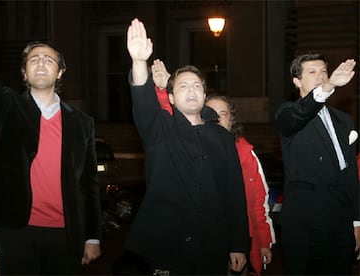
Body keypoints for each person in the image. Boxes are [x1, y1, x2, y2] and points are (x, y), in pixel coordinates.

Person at [0, 16, 101, 275]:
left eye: (48, 59)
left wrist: (92, 237)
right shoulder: (11, 107)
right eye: (33, 59)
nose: (41, 63)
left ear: (60, 72)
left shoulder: (82, 123)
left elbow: (88, 185)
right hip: (16, 231)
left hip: (65, 233)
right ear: (24, 73)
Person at [125, 18, 249, 275]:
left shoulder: (222, 136)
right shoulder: (159, 128)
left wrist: (238, 244)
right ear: (170, 97)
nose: (191, 91)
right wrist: (139, 62)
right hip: (167, 246)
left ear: (204, 95)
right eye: (183, 86)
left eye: (197, 86)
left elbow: (234, 194)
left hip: (211, 247)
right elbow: (143, 99)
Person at [152, 59, 276, 275]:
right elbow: (172, 122)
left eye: (223, 114)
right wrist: (165, 90)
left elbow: (256, 203)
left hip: (233, 244)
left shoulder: (246, 153)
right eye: (212, 114)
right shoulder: (191, 143)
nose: (217, 119)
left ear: (232, 120)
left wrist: (259, 242)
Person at [275, 53, 359, 275]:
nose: (321, 76)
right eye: (312, 72)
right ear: (296, 81)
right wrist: (329, 85)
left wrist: (357, 223)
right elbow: (302, 113)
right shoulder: (287, 112)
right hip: (306, 221)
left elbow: (351, 176)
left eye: (324, 71)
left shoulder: (344, 119)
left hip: (340, 220)